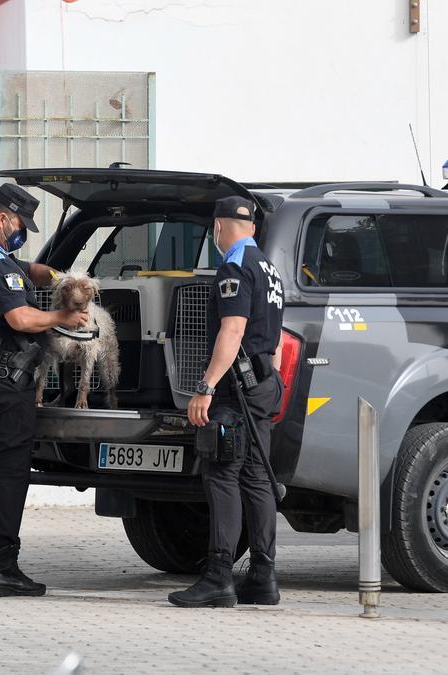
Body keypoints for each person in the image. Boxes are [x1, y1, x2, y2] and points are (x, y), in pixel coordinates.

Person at [0, 183, 89, 597]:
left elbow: (30, 271)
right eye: (21, 224)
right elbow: (21, 318)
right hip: (4, 383)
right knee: (11, 472)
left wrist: (63, 276)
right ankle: (4, 568)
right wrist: (63, 315)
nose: (22, 232)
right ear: (3, 219)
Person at [169, 196, 286, 608]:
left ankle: (219, 577)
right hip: (262, 385)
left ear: (218, 228)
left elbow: (232, 330)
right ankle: (263, 577)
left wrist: (205, 386)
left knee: (221, 474)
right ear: (251, 227)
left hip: (235, 390)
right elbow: (275, 340)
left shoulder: (233, 267)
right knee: (256, 478)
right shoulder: (270, 270)